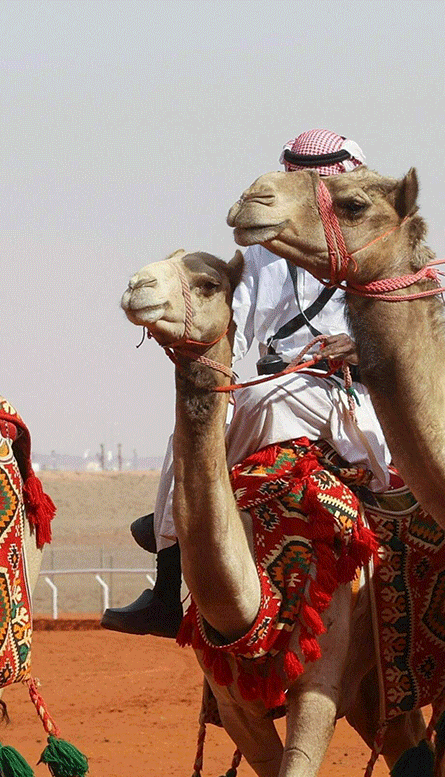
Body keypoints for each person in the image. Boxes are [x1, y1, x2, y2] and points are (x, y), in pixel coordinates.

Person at [101, 130, 395, 638]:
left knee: (264, 404)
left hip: (352, 390)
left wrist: (358, 348)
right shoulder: (264, 252)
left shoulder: (377, 245)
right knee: (194, 426)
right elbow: (239, 329)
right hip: (273, 379)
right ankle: (168, 578)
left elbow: (406, 334)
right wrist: (214, 379)